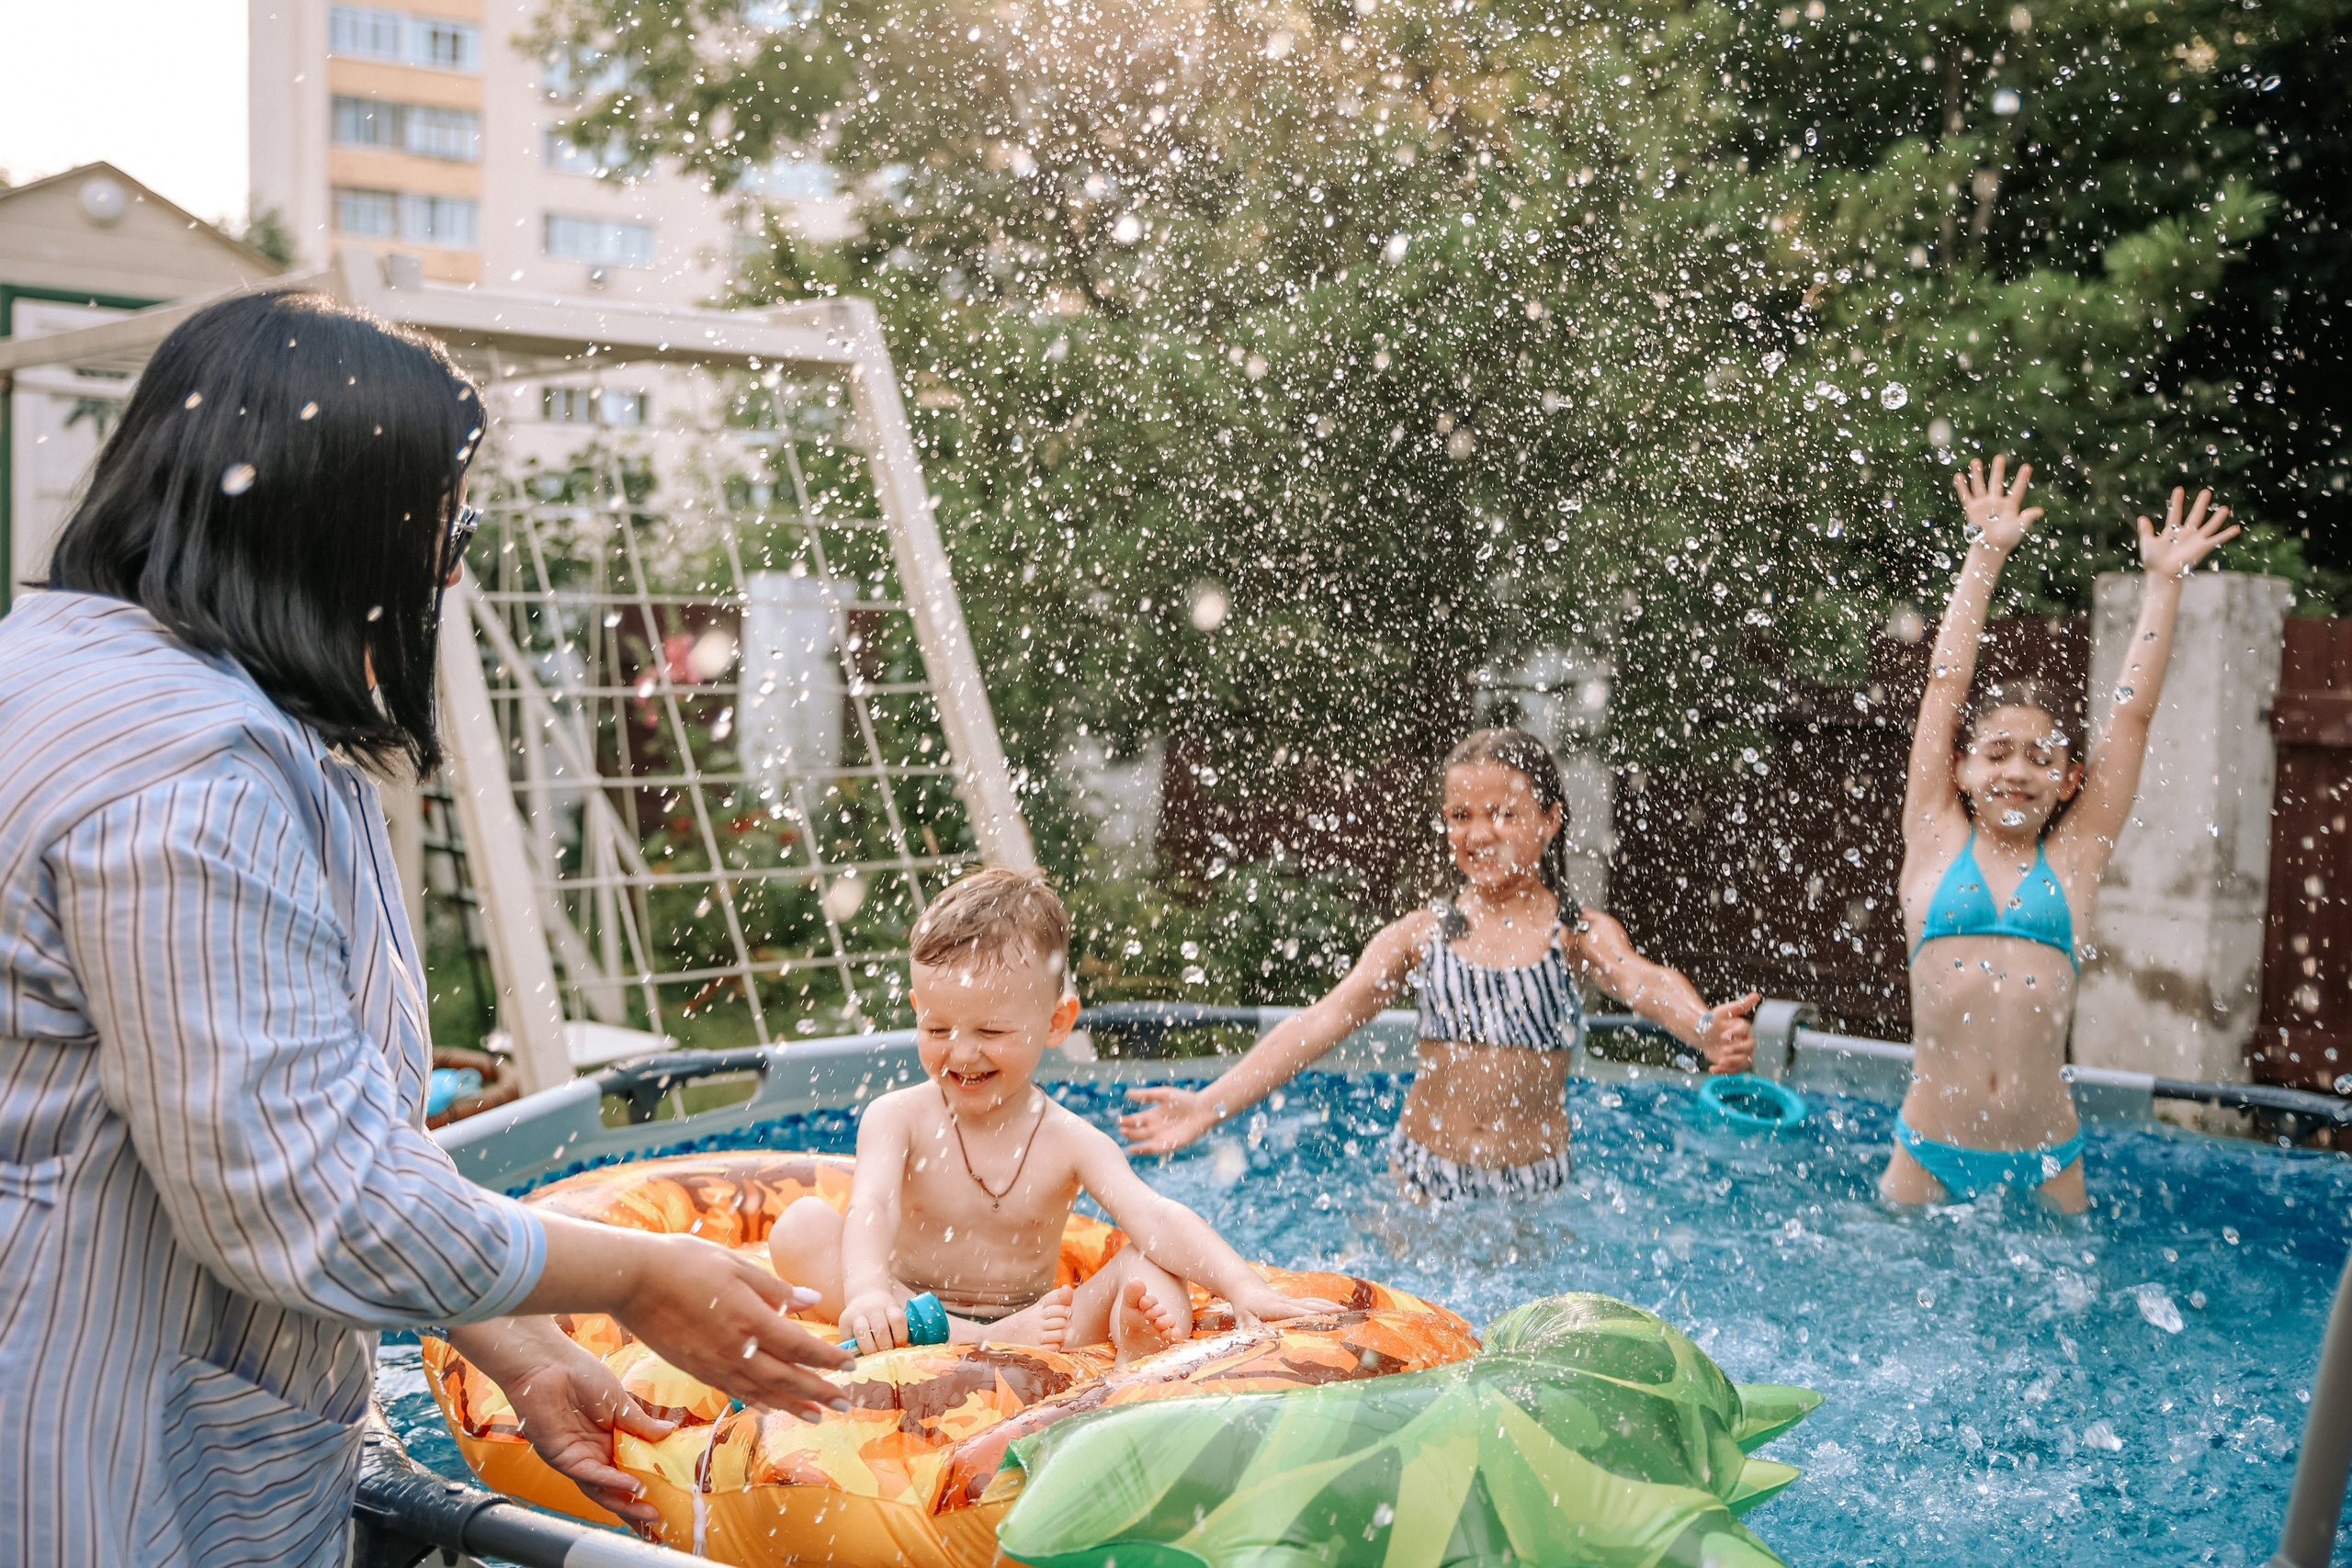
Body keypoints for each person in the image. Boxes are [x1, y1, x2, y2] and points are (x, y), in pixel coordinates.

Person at [0, 291, 851, 1568]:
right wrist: (630, 1272)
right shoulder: (191, 777)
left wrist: (510, 1334)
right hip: (93, 1461)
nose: (447, 570)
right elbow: (301, 1192)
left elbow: (274, 1121)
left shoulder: (61, 671)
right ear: (336, 529)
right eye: (443, 528)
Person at [1120, 728, 1760, 1202]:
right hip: (1424, 1175)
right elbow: (1324, 1018)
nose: (1479, 833)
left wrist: (1701, 1025)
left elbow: (1640, 979)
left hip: (1531, 1187)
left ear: (1550, 820)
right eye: (1461, 815)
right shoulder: (1421, 935)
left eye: (1504, 814)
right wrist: (1209, 1104)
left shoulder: (1576, 932)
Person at [766, 868, 1344, 1359]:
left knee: (1151, 1265)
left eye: (990, 1031)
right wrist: (868, 1292)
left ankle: (1139, 1362)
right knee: (802, 1228)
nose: (961, 1052)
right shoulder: (898, 1117)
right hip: (906, 1307)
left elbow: (1155, 1216)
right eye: (937, 1028)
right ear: (917, 1008)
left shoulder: (1071, 1139)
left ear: (1056, 1023)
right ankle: (969, 1336)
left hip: (1044, 1324)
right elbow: (873, 1204)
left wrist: (1243, 1287)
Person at [1883, 457, 2239, 1211]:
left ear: (2069, 780)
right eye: (1997, 753)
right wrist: (1986, 554)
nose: (2017, 771)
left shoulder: (2074, 856)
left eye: (2041, 758)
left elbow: (2132, 717)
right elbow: (1947, 682)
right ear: (1960, 768)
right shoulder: (1936, 839)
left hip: (2049, 1160)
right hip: (1926, 1152)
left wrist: (2164, 585)